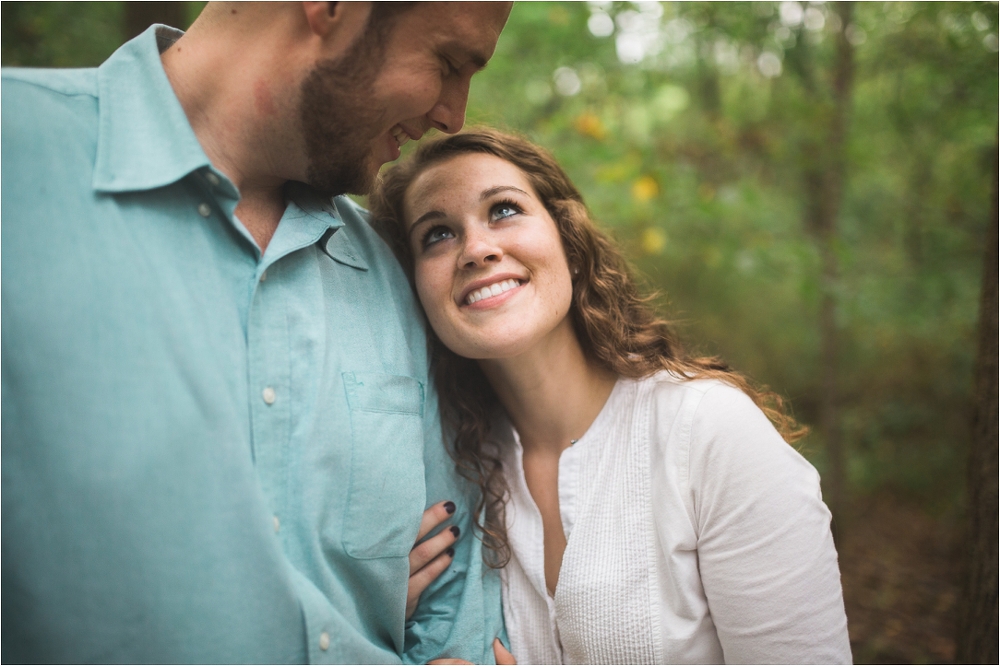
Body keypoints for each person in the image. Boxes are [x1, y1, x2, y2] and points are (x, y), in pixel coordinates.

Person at [1, 3, 512, 663]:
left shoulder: (401, 276)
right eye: (447, 64)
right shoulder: (16, 162)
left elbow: (459, 598)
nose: (453, 115)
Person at [369, 128, 854, 664]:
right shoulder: (456, 476)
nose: (477, 249)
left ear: (570, 246)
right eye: (436, 235)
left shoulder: (709, 431)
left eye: (504, 210)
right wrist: (376, 617)